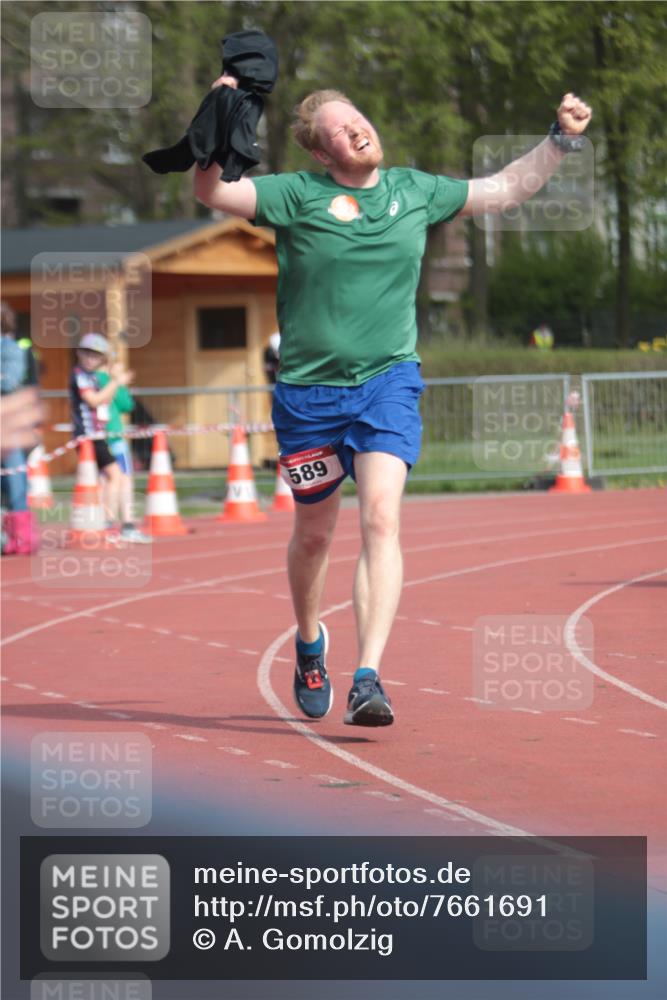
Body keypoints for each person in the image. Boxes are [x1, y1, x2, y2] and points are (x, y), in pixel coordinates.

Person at [194, 84, 592, 727]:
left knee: (381, 517)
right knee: (315, 533)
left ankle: (368, 678)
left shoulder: (415, 190)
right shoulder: (296, 195)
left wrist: (560, 138)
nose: (356, 131)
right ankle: (308, 641)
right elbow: (212, 193)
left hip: (388, 384)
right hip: (307, 399)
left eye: (358, 119)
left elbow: (505, 189)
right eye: (339, 130)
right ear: (322, 153)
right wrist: (214, 125)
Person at [69, 333, 149, 543]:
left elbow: (123, 404)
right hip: (92, 436)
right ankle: (107, 524)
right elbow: (94, 401)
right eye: (87, 353)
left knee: (114, 478)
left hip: (100, 436)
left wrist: (116, 382)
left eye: (96, 356)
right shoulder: (82, 375)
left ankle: (109, 524)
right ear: (79, 353)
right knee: (114, 477)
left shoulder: (94, 377)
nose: (90, 359)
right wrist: (116, 381)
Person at [1, 301, 41, 554]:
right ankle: (16, 537)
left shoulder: (14, 349)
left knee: (14, 476)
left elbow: (10, 383)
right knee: (13, 477)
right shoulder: (18, 349)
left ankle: (16, 537)